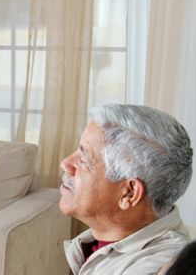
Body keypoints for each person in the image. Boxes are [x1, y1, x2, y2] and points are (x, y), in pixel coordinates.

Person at [59, 104, 193, 275]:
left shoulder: (157, 268)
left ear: (129, 193)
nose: (65, 164)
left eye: (84, 159)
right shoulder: (106, 238)